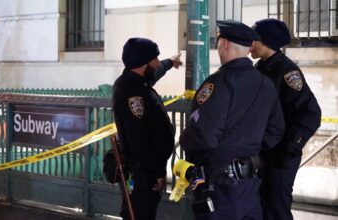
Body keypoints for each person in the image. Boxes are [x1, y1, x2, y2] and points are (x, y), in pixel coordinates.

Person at [179, 20, 286, 220]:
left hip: (220, 187)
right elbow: (276, 131)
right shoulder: (266, 83)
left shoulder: (218, 83)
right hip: (250, 185)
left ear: (225, 43)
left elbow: (204, 137)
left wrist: (185, 139)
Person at [251, 18, 322, 220]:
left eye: (254, 39)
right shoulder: (261, 68)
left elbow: (310, 113)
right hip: (263, 152)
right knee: (261, 208)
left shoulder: (287, 71)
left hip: (280, 155)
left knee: (276, 209)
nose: (250, 44)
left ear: (266, 41)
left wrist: (289, 148)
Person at [112, 37, 182, 220]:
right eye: (156, 59)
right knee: (140, 213)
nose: (158, 63)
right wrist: (158, 172)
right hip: (144, 171)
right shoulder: (132, 92)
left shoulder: (136, 81)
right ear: (144, 63)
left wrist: (170, 63)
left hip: (145, 169)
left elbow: (156, 72)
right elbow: (139, 139)